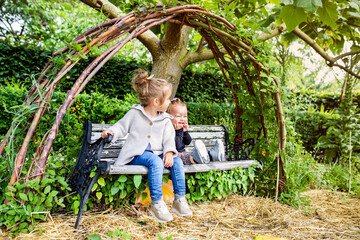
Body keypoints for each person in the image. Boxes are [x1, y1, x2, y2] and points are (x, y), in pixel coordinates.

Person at [101, 69, 192, 223]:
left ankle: (179, 199)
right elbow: (121, 127)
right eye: (168, 99)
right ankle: (157, 203)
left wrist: (169, 153)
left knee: (176, 161)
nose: (170, 102)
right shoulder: (135, 114)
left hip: (157, 154)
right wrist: (111, 132)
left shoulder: (165, 119)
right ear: (156, 101)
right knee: (155, 161)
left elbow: (169, 139)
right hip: (137, 155)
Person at [167, 98, 226, 164]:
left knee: (194, 154)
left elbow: (187, 142)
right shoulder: (168, 129)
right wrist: (178, 132)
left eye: (185, 116)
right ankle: (201, 156)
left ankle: (212, 154)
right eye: (178, 116)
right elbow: (177, 146)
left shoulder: (180, 128)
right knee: (190, 156)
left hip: (183, 153)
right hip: (174, 155)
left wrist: (185, 132)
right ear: (169, 117)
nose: (182, 119)